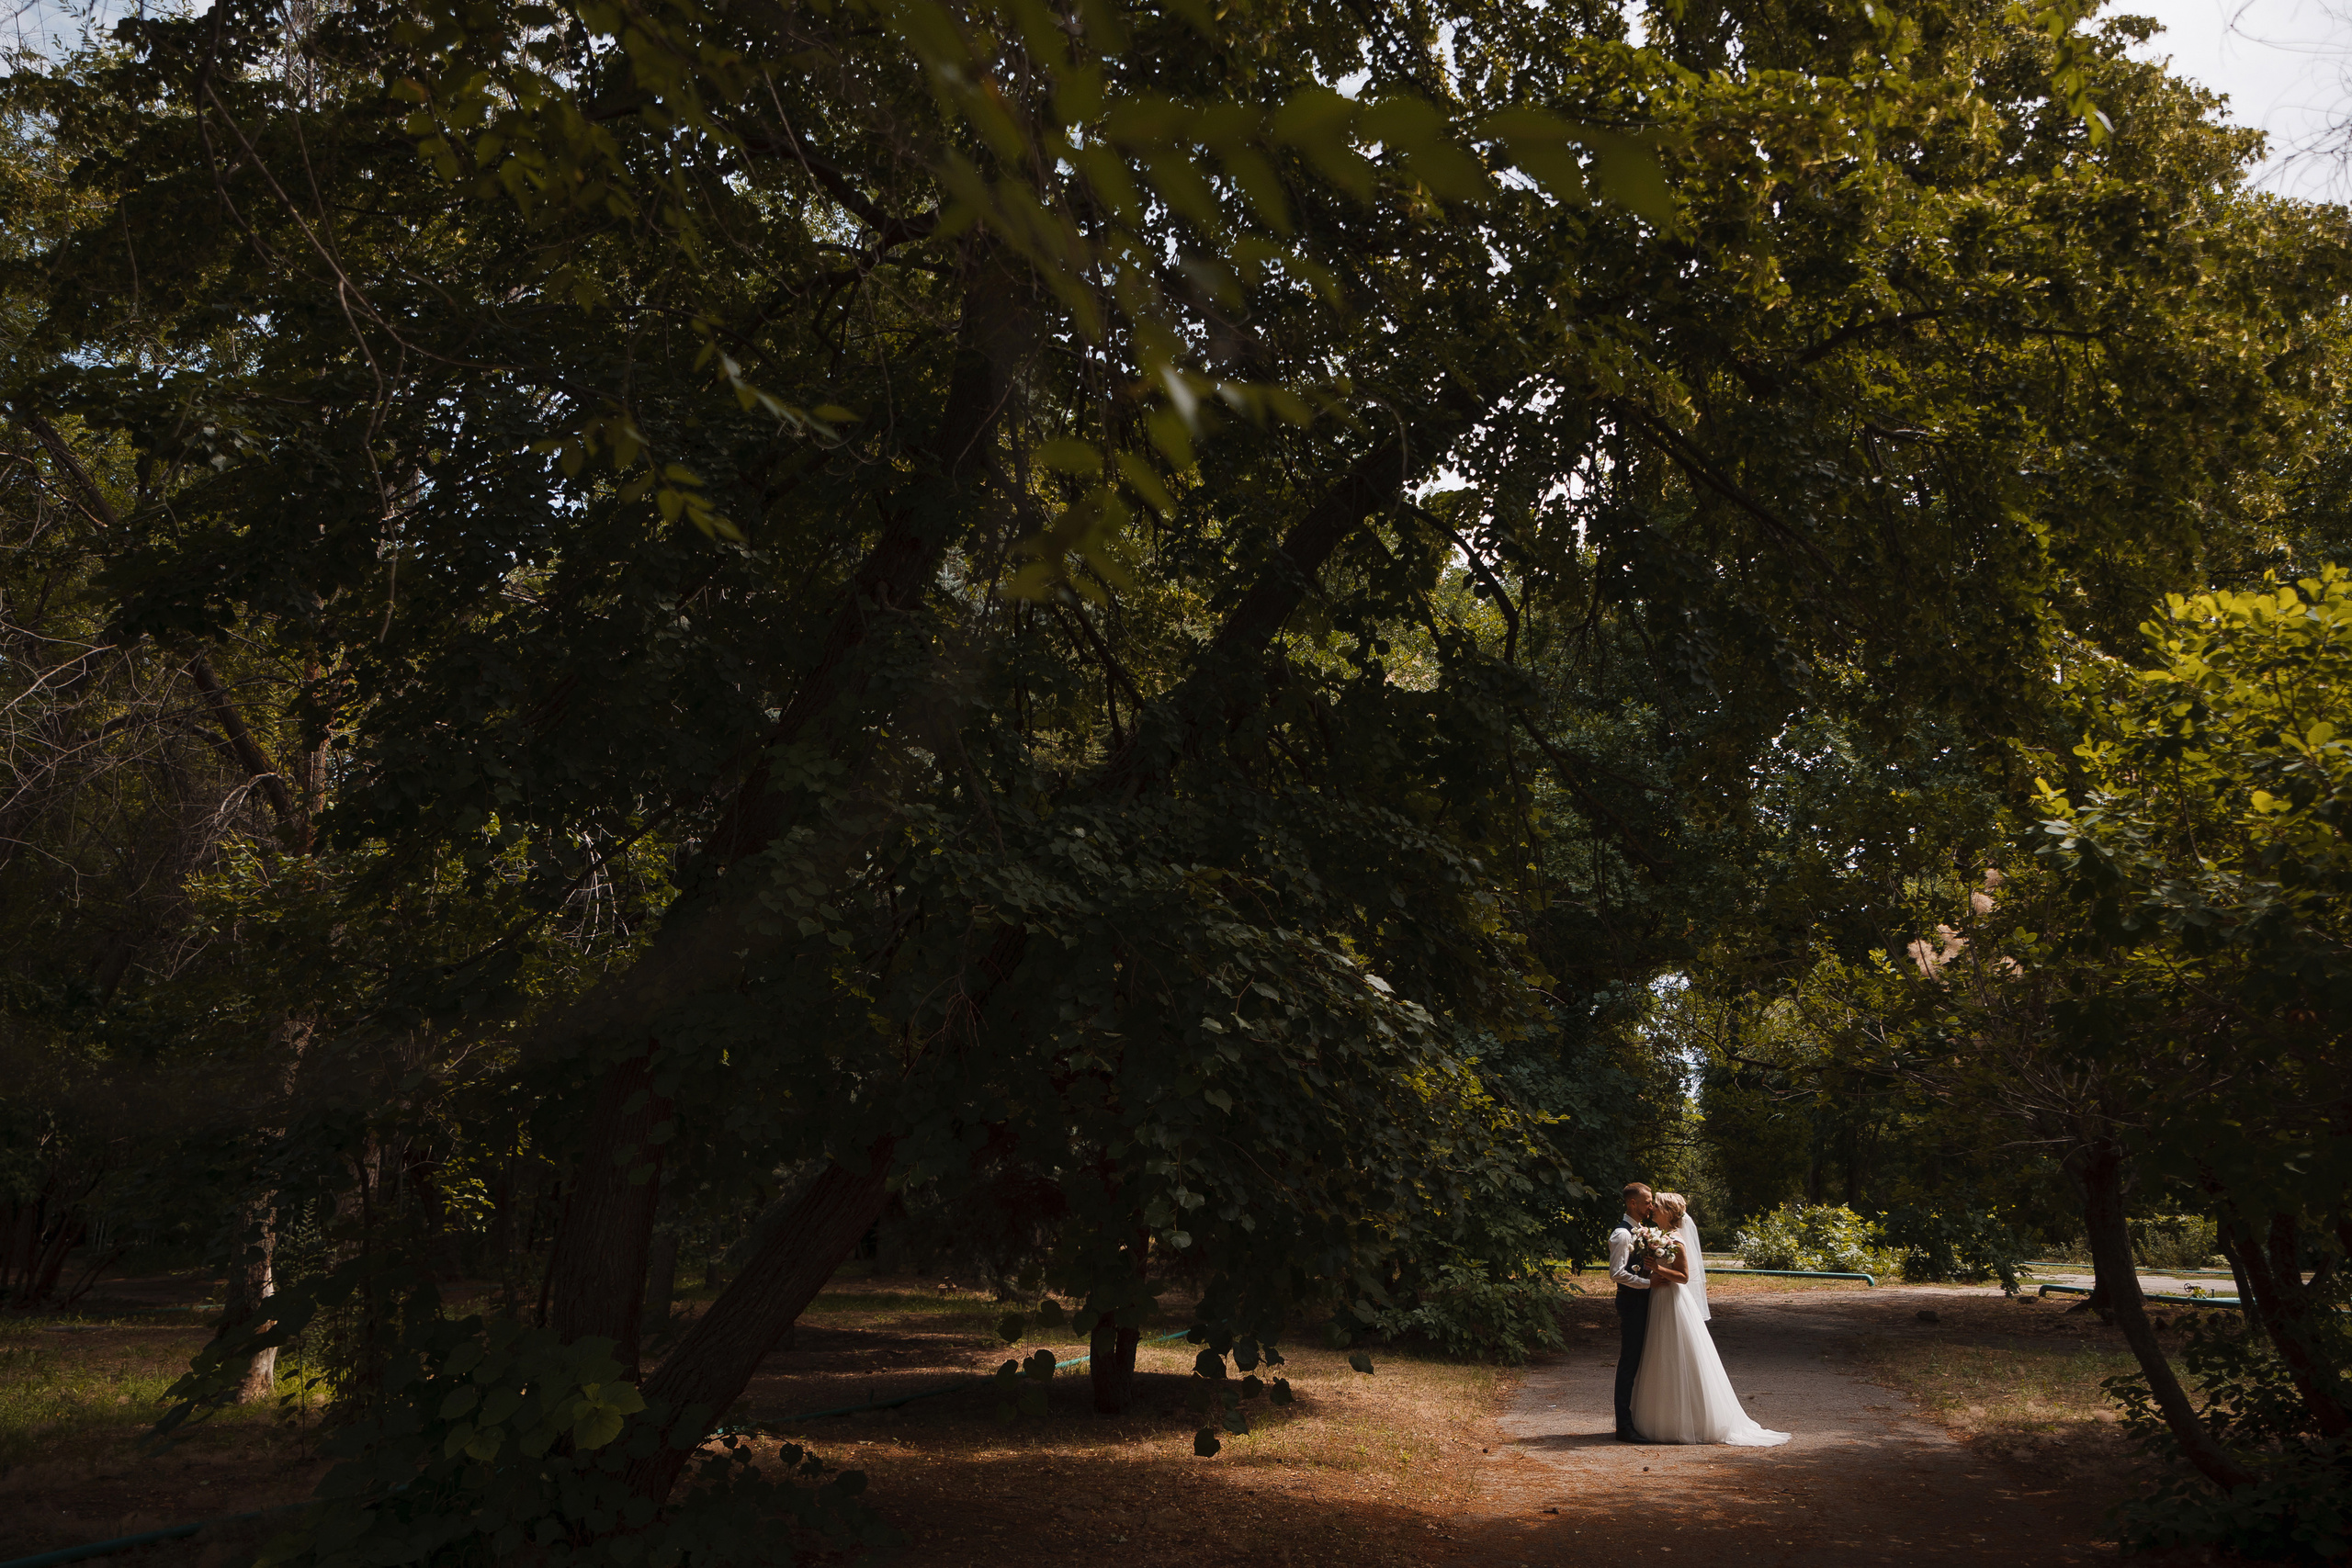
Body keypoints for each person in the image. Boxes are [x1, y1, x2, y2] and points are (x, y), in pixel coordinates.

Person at [1628, 1191, 1791, 1447]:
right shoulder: (1659, 1236)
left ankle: (1688, 1421)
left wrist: (1658, 1268)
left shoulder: (1675, 1239)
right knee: (1661, 1354)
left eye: (1657, 1206)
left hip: (1673, 1301)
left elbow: (1683, 1276)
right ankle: (1661, 1417)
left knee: (1677, 1353)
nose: (1652, 1210)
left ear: (1669, 1212)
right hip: (1660, 1299)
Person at [1605, 1180, 1657, 1441]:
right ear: (1632, 1203)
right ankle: (1623, 1426)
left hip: (1644, 1301)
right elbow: (1617, 1274)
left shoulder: (1642, 1231)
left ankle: (1638, 1418)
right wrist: (1649, 1284)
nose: (1651, 1205)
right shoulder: (1623, 1234)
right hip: (1631, 1303)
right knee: (1629, 1362)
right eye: (1647, 1201)